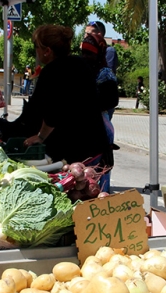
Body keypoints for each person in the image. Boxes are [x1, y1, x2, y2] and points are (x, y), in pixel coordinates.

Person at [19, 25, 109, 165]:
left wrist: (40, 137)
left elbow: (52, 113)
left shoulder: (52, 71)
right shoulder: (80, 64)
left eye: (37, 46)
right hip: (94, 145)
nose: (36, 50)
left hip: (72, 150)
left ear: (47, 51)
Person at [80, 33, 118, 191]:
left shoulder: (105, 74)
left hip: (100, 128)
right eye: (83, 53)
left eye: (90, 53)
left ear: (99, 54)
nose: (85, 57)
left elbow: (110, 101)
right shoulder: (81, 70)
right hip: (85, 129)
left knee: (98, 177)